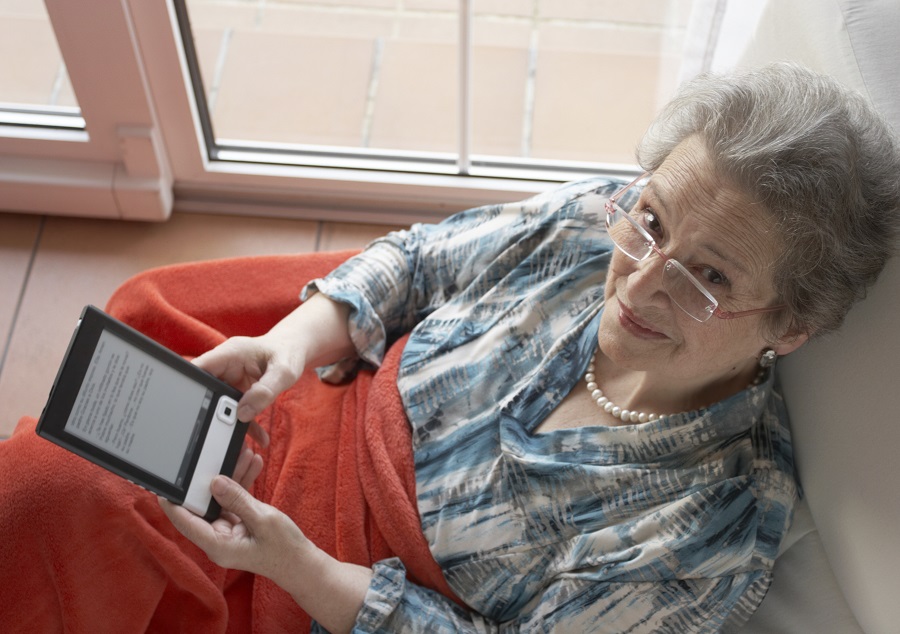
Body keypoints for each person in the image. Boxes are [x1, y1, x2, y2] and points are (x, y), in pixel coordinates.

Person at [3, 62, 899, 632]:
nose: (640, 278)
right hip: (313, 400)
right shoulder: (606, 218)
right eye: (652, 219)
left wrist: (299, 568)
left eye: (708, 278)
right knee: (59, 480)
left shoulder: (710, 531)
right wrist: (290, 342)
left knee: (69, 506)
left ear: (792, 324)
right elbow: (424, 260)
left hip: (334, 592)